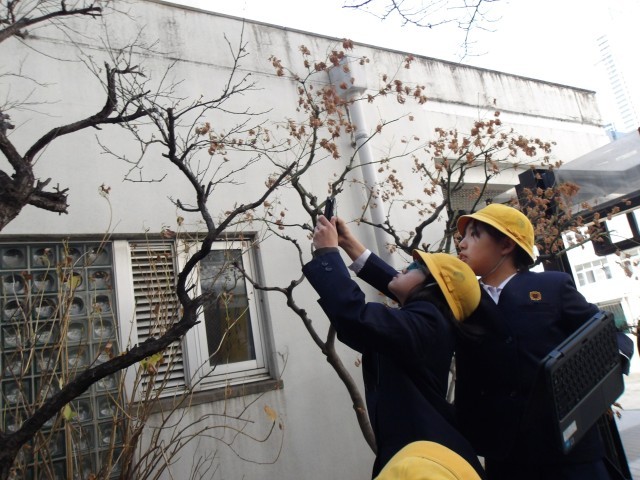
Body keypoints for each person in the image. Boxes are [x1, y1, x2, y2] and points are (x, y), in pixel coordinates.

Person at [454, 202, 633, 480]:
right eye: (462, 237)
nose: (462, 244)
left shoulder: (552, 286)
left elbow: (609, 334)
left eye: (474, 235)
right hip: (506, 456)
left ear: (506, 245)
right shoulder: (465, 302)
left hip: (570, 452)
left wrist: (598, 379)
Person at [303, 215, 485, 479]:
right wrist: (348, 243)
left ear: (432, 288)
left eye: (414, 266)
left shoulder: (428, 322)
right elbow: (393, 288)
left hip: (422, 463)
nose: (403, 268)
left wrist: (328, 254)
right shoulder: (429, 320)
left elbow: (356, 318)